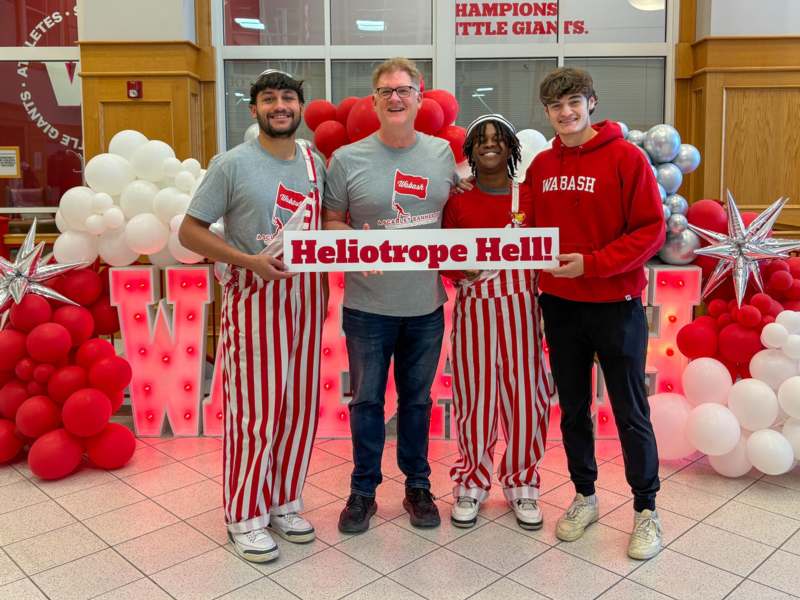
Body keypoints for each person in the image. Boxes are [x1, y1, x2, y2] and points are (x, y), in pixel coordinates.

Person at [179, 69, 327, 563]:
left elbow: (327, 226)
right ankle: (244, 514)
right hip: (255, 301)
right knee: (255, 414)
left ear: (299, 107)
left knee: (298, 410)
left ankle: (284, 500)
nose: (279, 106)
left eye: (288, 98)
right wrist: (247, 261)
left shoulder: (314, 161)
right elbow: (190, 232)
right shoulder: (231, 164)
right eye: (269, 99)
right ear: (254, 109)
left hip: (307, 301)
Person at [524, 67, 666, 560]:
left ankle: (646, 509)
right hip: (560, 306)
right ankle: (584, 495)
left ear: (592, 103)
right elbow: (528, 229)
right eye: (556, 106)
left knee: (630, 410)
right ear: (547, 112)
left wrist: (593, 264)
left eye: (574, 102)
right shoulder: (541, 166)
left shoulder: (626, 158)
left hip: (615, 306)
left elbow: (650, 230)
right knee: (573, 409)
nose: (566, 113)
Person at [322, 57, 457, 534]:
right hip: (367, 308)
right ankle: (363, 491)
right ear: (375, 101)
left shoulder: (442, 154)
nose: (395, 98)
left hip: (425, 307)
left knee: (417, 403)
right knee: (366, 403)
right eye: (386, 91)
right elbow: (331, 221)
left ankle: (418, 486)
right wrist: (352, 245)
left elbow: (459, 217)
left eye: (403, 90)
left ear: (420, 97)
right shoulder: (347, 159)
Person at [442, 114, 550, 530]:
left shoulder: (530, 196)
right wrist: (459, 269)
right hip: (475, 311)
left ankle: (522, 483)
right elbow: (443, 255)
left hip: (523, 310)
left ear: (511, 147)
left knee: (526, 401)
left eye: (498, 139)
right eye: (481, 140)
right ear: (470, 150)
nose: (490, 145)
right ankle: (471, 481)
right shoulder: (458, 199)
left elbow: (547, 249)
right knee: (475, 400)